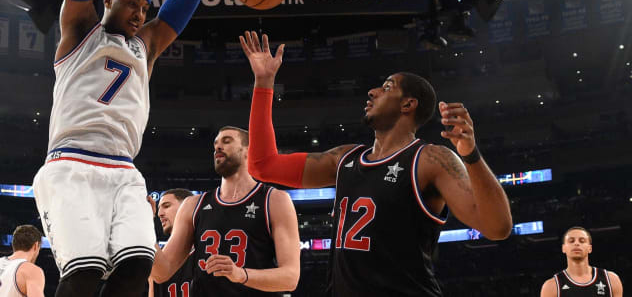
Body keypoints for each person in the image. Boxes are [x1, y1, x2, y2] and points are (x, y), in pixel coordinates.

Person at [239, 31, 513, 296]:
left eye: (386, 87)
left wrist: (471, 154)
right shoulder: (344, 159)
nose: (371, 92)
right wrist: (263, 83)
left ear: (408, 104)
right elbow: (263, 166)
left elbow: (497, 228)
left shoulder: (430, 160)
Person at [30, 0, 207, 296]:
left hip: (124, 170)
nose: (141, 14)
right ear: (107, 0)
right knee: (83, 274)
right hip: (71, 163)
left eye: (146, 9)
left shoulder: (147, 45)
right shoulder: (79, 29)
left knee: (137, 265)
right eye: (132, 4)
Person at [151, 126, 300, 296]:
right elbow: (160, 274)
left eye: (227, 141)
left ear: (248, 151)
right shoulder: (193, 205)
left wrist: (240, 274)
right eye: (215, 144)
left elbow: (290, 278)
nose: (218, 147)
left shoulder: (274, 200)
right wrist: (143, 224)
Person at [540, 226, 623, 297]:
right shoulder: (551, 286)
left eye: (582, 241)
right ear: (563, 248)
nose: (576, 243)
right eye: (571, 241)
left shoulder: (611, 280)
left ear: (590, 248)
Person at [148, 189, 195, 297]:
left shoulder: (207, 248)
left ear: (186, 207)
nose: (159, 213)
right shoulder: (158, 259)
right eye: (159, 208)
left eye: (166, 206)